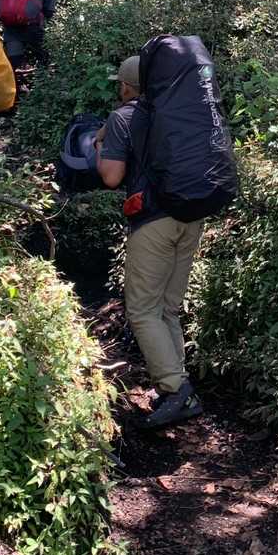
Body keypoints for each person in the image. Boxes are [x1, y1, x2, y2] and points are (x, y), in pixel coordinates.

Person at [95, 55, 204, 428]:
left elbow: (111, 177)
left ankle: (176, 389)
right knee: (167, 308)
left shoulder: (123, 117)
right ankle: (176, 383)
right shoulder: (179, 111)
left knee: (142, 309)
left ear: (127, 87)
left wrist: (99, 145)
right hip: (191, 215)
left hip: (154, 220)